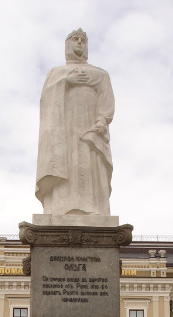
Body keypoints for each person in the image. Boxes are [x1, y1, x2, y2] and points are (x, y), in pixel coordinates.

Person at [35, 29, 115, 217]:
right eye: (75, 39)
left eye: (83, 40)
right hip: (64, 128)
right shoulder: (56, 73)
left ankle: (94, 208)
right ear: (67, 45)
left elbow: (106, 99)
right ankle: (60, 208)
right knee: (66, 160)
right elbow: (46, 100)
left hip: (90, 126)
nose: (79, 42)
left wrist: (102, 120)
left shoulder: (100, 74)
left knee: (89, 160)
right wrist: (65, 81)